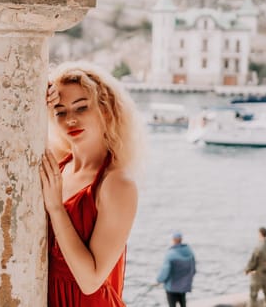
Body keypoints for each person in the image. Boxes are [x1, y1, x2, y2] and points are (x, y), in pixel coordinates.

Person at [40, 61, 142, 306]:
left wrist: (56, 208)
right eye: (60, 111)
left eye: (81, 108)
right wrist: (36, 94)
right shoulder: (58, 167)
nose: (70, 120)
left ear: (105, 110)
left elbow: (90, 281)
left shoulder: (117, 184)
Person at [156, 232, 196, 307]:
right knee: (183, 304)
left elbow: (165, 271)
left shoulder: (170, 254)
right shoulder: (189, 252)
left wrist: (159, 280)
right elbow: (193, 269)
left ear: (174, 240)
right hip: (184, 286)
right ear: (181, 239)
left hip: (172, 287)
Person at [245, 227, 266, 307]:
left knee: (253, 297)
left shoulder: (258, 248)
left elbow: (253, 262)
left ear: (260, 234)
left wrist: (247, 270)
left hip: (257, 275)